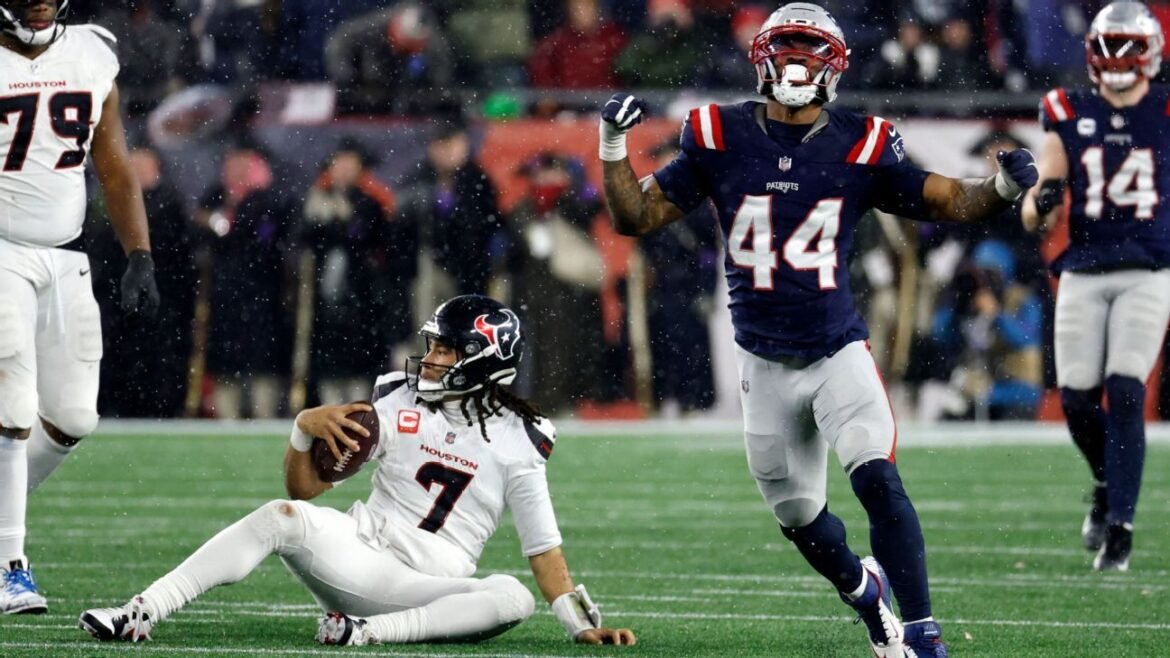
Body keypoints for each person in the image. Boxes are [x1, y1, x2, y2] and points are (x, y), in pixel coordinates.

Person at [599, 3, 1038, 656]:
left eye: (810, 52)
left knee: (877, 478)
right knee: (800, 518)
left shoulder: (859, 143)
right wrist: (612, 146)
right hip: (763, 363)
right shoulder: (719, 135)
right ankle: (865, 592)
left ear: (834, 66)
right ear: (762, 60)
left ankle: (923, 633)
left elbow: (945, 198)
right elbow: (635, 216)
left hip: (836, 351)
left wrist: (999, 187)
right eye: (787, 50)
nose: (797, 65)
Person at [79, 295, 637, 648]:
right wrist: (303, 430)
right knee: (280, 516)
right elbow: (304, 489)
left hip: (423, 587)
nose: (429, 359)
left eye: (446, 351)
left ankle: (363, 633)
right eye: (433, 347)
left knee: (511, 596)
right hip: (357, 548)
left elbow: (544, 551)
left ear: (482, 361)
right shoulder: (396, 399)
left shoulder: (521, 438)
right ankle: (141, 610)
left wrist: (581, 623)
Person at [0, 0, 159, 614]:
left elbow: (114, 168)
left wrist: (139, 254)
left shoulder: (91, 51)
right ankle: (10, 566)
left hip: (65, 254)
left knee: (72, 416)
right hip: (2, 251)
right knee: (12, 406)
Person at [1021, 1, 1170, 572]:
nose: (1116, 60)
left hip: (1149, 268)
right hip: (1085, 266)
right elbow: (1034, 214)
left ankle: (1121, 529)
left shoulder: (1164, 107)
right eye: (1109, 48)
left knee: (1126, 389)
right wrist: (1042, 200)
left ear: (1149, 52)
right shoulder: (1068, 109)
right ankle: (1107, 484)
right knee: (1077, 399)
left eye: (1127, 48)